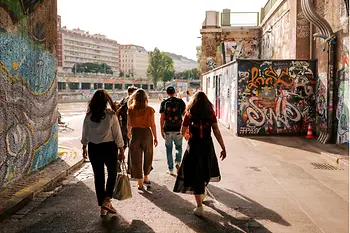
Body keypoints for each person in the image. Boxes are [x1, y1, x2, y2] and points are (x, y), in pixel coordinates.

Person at [173, 91, 226, 217]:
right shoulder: (210, 113)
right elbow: (216, 131)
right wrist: (223, 147)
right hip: (207, 146)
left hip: (194, 146)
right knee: (204, 171)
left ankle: (199, 206)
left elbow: (182, 130)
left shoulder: (189, 113)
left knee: (195, 174)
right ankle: (202, 193)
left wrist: (188, 137)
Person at [81, 90, 125, 217]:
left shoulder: (88, 116)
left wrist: (84, 147)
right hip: (109, 148)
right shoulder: (111, 115)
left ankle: (103, 205)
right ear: (106, 101)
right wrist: (121, 150)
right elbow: (117, 135)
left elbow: (85, 133)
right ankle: (107, 199)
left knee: (98, 176)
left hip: (93, 148)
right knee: (112, 172)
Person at [127, 89, 158, 190]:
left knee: (135, 158)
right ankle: (146, 177)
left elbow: (129, 124)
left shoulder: (130, 109)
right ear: (145, 98)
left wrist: (128, 133)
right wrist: (155, 137)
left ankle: (139, 183)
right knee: (148, 155)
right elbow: (153, 125)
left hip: (135, 134)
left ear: (135, 98)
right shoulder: (149, 109)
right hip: (146, 134)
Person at [159, 86, 186, 175]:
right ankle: (178, 162)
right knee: (178, 147)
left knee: (169, 149)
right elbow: (185, 115)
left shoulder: (164, 102)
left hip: (167, 129)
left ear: (167, 93)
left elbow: (162, 118)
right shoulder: (180, 102)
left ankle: (170, 169)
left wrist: (161, 130)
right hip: (178, 128)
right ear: (174, 92)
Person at [117, 86, 137, 172]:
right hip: (131, 126)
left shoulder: (123, 100)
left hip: (123, 126)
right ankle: (129, 168)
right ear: (131, 92)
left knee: (124, 145)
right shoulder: (133, 101)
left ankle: (118, 160)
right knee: (132, 147)